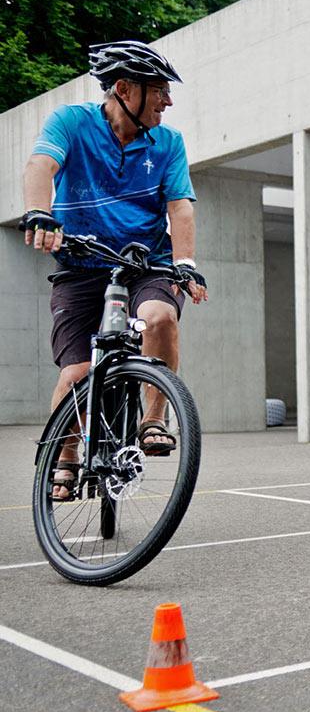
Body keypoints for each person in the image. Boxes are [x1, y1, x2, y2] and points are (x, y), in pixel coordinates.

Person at [18, 40, 209, 501]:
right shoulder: (72, 122)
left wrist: (184, 264)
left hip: (147, 263)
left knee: (160, 318)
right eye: (159, 90)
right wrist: (39, 212)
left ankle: (152, 419)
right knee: (78, 372)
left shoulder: (168, 142)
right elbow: (41, 164)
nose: (168, 101)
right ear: (124, 89)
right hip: (82, 266)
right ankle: (64, 458)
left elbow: (180, 207)